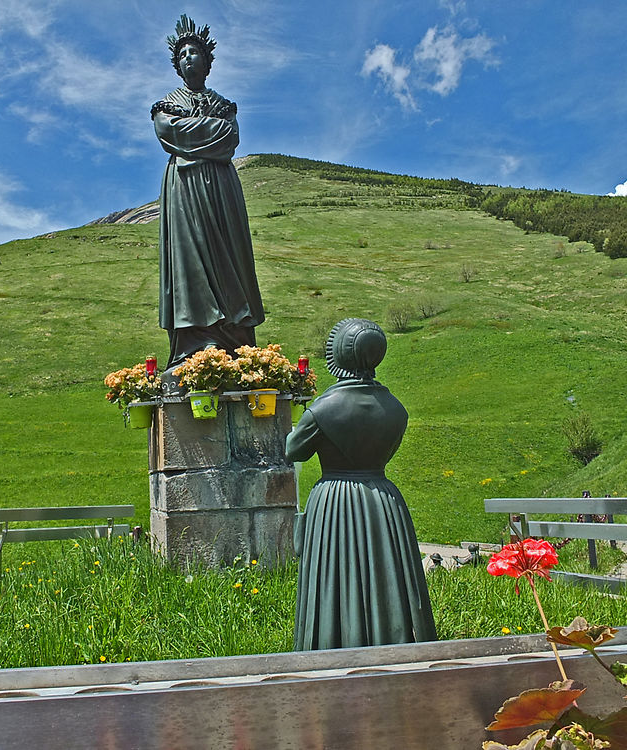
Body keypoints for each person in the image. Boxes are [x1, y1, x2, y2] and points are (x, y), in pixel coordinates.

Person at [289, 319, 437, 650]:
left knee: (334, 575)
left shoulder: (322, 409)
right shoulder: (396, 409)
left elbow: (293, 450)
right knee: (388, 574)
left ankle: (331, 645)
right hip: (383, 500)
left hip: (334, 501)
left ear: (337, 357)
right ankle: (395, 643)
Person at [152, 15, 265, 369]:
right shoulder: (166, 104)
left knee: (227, 255)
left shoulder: (224, 105)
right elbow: (169, 133)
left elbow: (229, 139)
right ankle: (194, 343)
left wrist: (194, 139)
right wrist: (208, 134)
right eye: (182, 54)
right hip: (183, 190)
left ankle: (234, 338)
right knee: (189, 257)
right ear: (177, 64)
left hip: (221, 189)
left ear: (207, 61)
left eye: (194, 52)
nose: (188, 58)